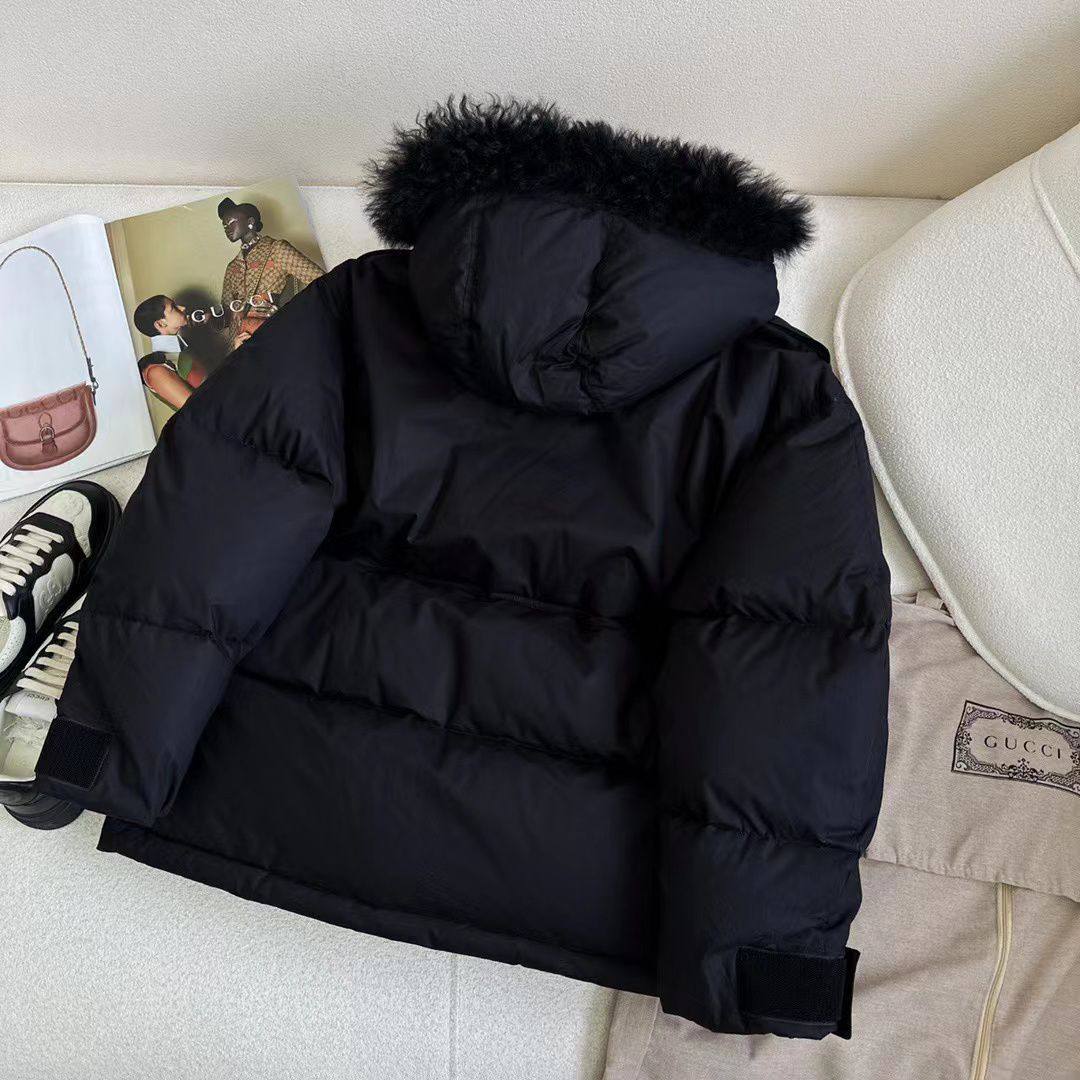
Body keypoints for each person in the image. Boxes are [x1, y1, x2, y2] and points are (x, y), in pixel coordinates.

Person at [216, 197, 324, 352]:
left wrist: (294, 316)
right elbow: (226, 314)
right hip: (238, 347)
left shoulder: (276, 249)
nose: (227, 228)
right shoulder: (232, 266)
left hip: (273, 340)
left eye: (231, 222)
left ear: (250, 222)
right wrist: (211, 317)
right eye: (224, 225)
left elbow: (322, 281)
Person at [132, 294, 209, 409]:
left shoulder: (180, 350)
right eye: (174, 308)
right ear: (161, 324)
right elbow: (198, 410)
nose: (182, 308)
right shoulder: (156, 371)